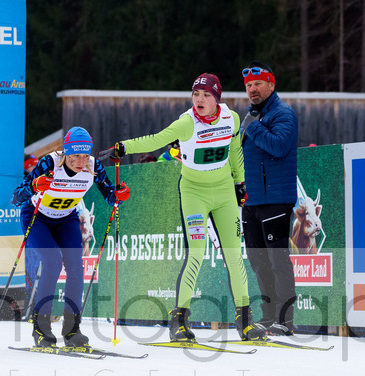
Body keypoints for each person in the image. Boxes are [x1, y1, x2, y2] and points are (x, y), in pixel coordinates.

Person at [100, 73, 266, 343]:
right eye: (196, 94)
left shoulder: (231, 119)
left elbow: (235, 148)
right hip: (194, 193)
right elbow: (156, 140)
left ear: (217, 99)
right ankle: (179, 321)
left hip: (224, 192)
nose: (199, 100)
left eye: (206, 95)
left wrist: (239, 182)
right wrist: (123, 147)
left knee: (235, 256)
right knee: (196, 254)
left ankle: (245, 320)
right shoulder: (186, 123)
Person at [12, 126, 129, 347]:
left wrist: (119, 196)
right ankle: (41, 328)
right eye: (75, 155)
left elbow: (111, 197)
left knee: (76, 267)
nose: (80, 161)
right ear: (66, 152)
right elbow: (15, 198)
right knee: (53, 262)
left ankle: (72, 330)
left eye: (85, 155)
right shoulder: (50, 164)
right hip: (37, 218)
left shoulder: (93, 166)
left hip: (66, 220)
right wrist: (34, 186)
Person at [240, 61, 300, 336]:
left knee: (277, 260)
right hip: (250, 200)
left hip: (275, 198)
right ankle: (267, 317)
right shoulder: (251, 115)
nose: (252, 89)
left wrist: (252, 126)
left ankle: (284, 320)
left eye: (258, 84)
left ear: (271, 85)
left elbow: (279, 146)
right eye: (249, 86)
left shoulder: (283, 113)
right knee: (257, 260)